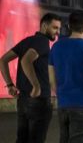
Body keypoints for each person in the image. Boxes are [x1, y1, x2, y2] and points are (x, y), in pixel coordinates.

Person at [0, 12, 61, 143]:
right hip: (39, 101)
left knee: (22, 139)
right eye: (55, 28)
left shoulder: (27, 41)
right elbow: (26, 60)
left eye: (59, 29)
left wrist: (10, 85)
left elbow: (3, 60)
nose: (58, 32)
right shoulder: (42, 41)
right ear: (44, 26)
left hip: (23, 100)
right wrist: (36, 86)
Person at [49, 10, 83, 143]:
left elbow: (52, 80)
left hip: (63, 105)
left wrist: (62, 96)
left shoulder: (56, 47)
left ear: (69, 26)